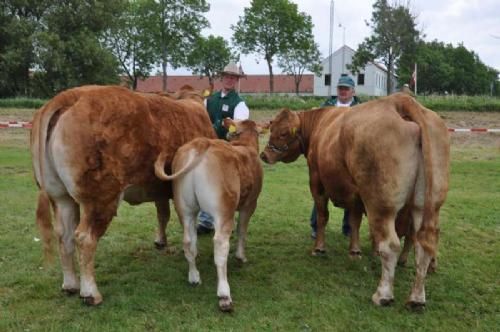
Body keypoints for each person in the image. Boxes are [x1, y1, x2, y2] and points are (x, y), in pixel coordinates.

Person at [197, 62, 250, 235]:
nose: (229, 80)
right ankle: (206, 221)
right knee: (205, 182)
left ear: (236, 81)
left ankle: (226, 219)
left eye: (233, 77)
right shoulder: (209, 100)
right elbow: (200, 120)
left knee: (226, 186)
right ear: (222, 78)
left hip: (227, 150)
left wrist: (227, 134)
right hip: (207, 148)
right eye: (227, 76)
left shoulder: (240, 104)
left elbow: (239, 129)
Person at [310, 74, 361, 239]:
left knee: (351, 192)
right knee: (320, 189)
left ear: (353, 91)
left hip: (350, 155)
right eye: (341, 88)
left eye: (346, 89)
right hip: (327, 154)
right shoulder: (327, 106)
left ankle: (348, 228)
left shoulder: (360, 108)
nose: (343, 91)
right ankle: (315, 226)